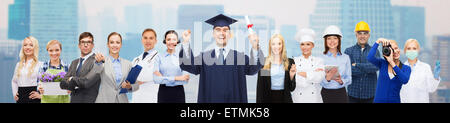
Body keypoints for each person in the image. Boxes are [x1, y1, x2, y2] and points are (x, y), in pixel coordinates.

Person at [179, 14, 264, 103]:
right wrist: (185, 42)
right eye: (218, 30)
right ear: (213, 34)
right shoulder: (204, 58)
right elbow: (188, 64)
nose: (222, 33)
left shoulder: (240, 58)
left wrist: (255, 47)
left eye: (225, 30)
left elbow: (253, 69)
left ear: (230, 34)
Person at [94, 32, 139, 103]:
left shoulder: (128, 64)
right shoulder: (102, 61)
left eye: (117, 42)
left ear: (121, 45)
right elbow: (95, 72)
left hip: (122, 100)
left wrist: (129, 86)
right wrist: (98, 62)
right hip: (104, 100)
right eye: (112, 42)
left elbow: (136, 85)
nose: (115, 45)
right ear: (108, 45)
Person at [60, 32, 102, 103]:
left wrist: (71, 79)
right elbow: (63, 83)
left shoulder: (97, 61)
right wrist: (73, 82)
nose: (85, 45)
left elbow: (86, 82)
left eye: (88, 42)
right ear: (79, 45)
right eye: (83, 42)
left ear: (92, 45)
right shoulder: (74, 62)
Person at [344, 21, 380, 103]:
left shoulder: (375, 51)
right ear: (356, 35)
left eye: (365, 33)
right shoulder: (349, 51)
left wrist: (357, 65)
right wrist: (367, 69)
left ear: (369, 35)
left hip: (370, 96)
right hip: (352, 95)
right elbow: (348, 70)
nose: (362, 36)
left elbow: (375, 67)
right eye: (360, 33)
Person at [367, 38, 411, 103]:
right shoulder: (382, 63)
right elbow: (370, 57)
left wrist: (391, 62)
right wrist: (378, 41)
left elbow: (404, 80)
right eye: (392, 50)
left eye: (396, 48)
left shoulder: (406, 68)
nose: (395, 51)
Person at [256, 34, 296, 103]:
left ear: (282, 45)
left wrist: (291, 76)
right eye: (273, 44)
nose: (276, 46)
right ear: (270, 46)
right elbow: (261, 88)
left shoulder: (289, 62)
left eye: (279, 44)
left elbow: (291, 88)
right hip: (268, 99)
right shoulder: (265, 63)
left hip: (285, 99)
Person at [153, 30, 190, 103]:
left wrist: (164, 78)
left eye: (174, 39)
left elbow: (185, 80)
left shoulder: (182, 57)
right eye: (168, 39)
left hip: (179, 93)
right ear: (165, 41)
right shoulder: (159, 57)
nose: (171, 42)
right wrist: (177, 78)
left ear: (177, 41)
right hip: (163, 93)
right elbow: (156, 79)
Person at [400, 39, 441, 103]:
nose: (411, 51)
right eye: (409, 48)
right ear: (405, 51)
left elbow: (431, 89)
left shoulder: (425, 67)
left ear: (418, 50)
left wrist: (436, 77)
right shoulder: (400, 69)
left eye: (414, 48)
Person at [291, 28, 325, 103]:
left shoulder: (319, 61)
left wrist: (301, 73)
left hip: (314, 99)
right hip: (298, 99)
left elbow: (319, 78)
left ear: (313, 45)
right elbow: (293, 79)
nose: (305, 47)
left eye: (308, 44)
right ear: (300, 46)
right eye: (302, 44)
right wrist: (312, 74)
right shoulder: (294, 60)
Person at [320, 25, 352, 103]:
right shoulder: (320, 58)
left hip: (341, 93)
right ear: (325, 41)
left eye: (335, 38)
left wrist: (342, 81)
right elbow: (318, 80)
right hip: (326, 94)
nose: (332, 41)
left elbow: (349, 78)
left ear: (339, 40)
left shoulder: (346, 58)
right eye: (329, 38)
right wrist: (327, 78)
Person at [131, 28, 160, 103]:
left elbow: (146, 76)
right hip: (136, 99)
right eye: (145, 38)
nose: (148, 41)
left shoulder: (159, 58)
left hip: (150, 99)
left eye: (151, 38)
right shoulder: (136, 59)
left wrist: (135, 80)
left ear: (155, 41)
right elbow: (129, 79)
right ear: (142, 40)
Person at [11, 36, 43, 103]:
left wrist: (41, 95)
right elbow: (14, 81)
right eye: (25, 45)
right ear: (23, 48)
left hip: (34, 99)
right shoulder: (18, 65)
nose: (27, 47)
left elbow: (45, 83)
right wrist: (15, 93)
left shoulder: (40, 64)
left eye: (31, 45)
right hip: (21, 98)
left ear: (35, 48)